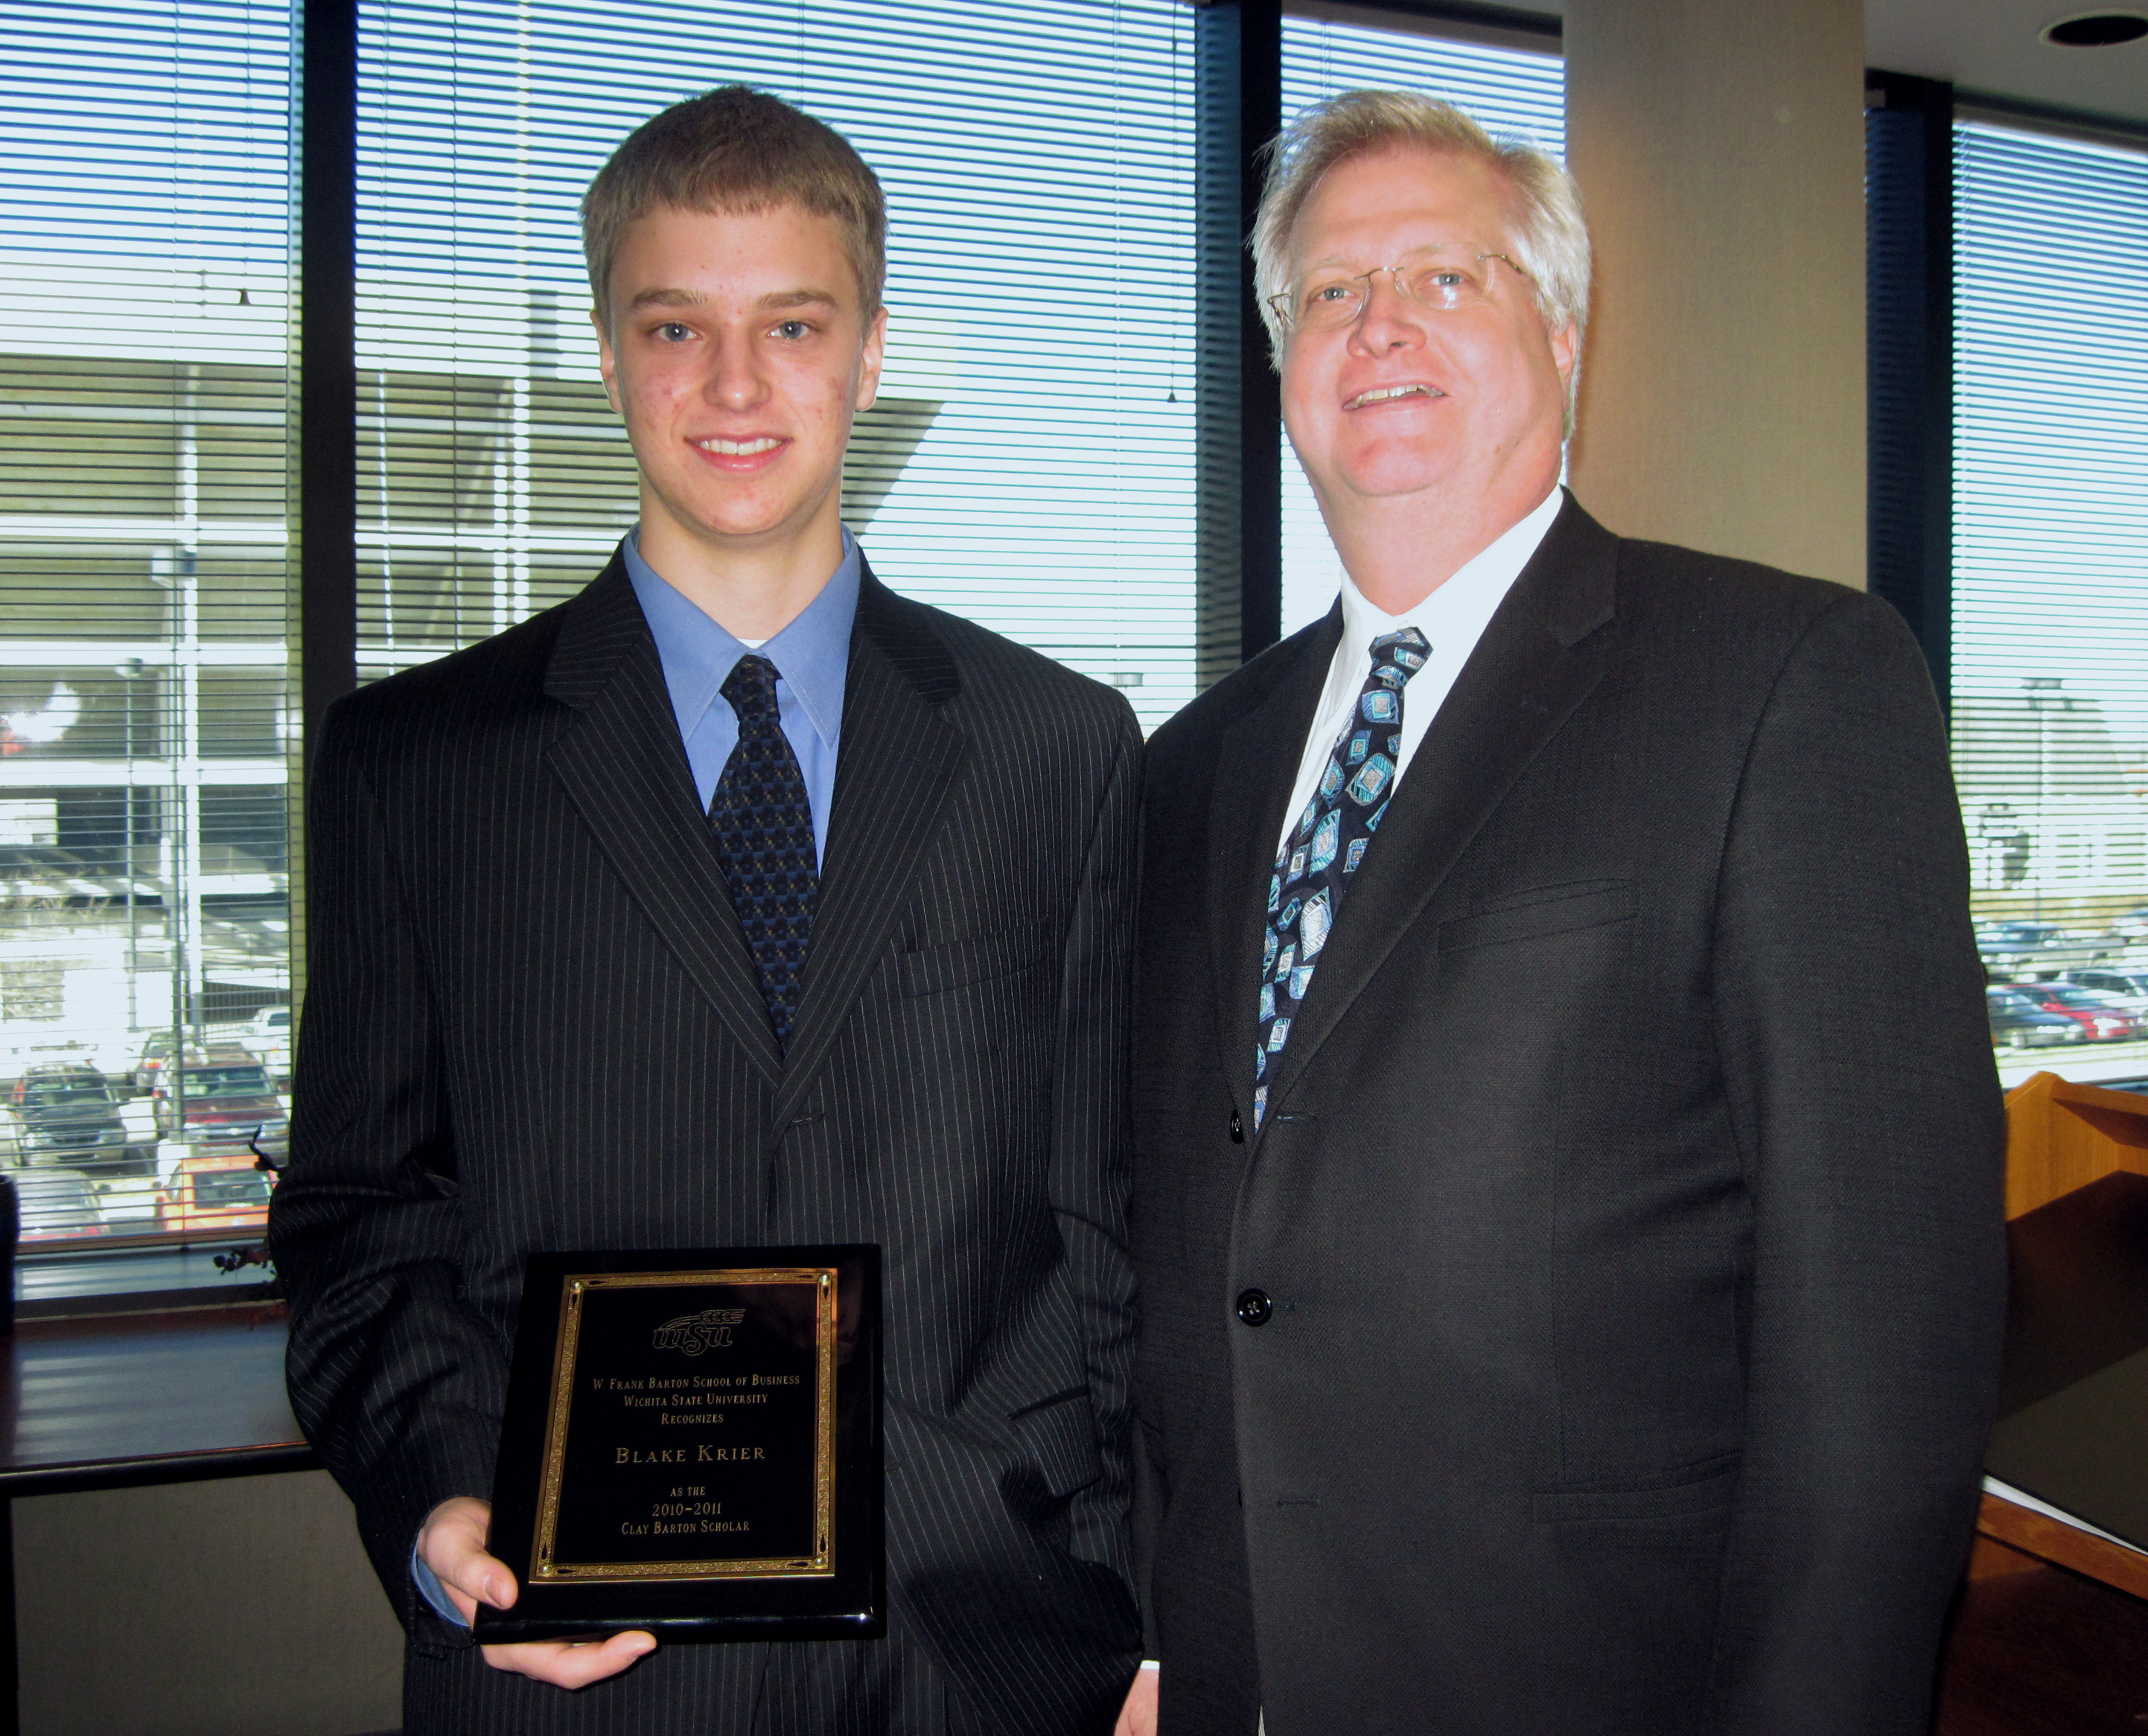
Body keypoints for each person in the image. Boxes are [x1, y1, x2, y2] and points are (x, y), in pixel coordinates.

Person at [1120, 89, 2004, 1736]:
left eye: (1447, 278)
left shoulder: (1784, 685)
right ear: (1282, 365)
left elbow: (1883, 1351)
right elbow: (1183, 1262)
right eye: (1328, 291)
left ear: (1568, 333)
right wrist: (1169, 1637)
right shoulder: (1188, 769)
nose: (1379, 325)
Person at [273, 85, 1143, 1735]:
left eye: (792, 324)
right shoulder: (418, 763)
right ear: (606, 354)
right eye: (675, 325)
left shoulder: (1059, 748)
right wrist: (445, 1496)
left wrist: (1143, 1620)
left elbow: (1102, 1231)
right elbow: (361, 1215)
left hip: (993, 1656)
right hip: (582, 1660)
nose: (734, 385)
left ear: (870, 351)